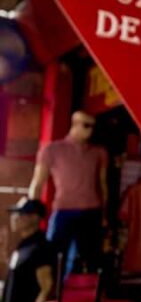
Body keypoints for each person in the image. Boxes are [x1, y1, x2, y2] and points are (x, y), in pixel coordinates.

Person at [28, 110, 108, 274]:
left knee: (90, 261)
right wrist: (31, 212)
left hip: (91, 211)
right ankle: (51, 296)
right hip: (64, 210)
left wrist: (104, 215)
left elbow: (103, 184)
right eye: (86, 125)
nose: (90, 130)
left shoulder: (99, 152)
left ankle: (84, 296)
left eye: (93, 126)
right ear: (74, 124)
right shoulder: (52, 149)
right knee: (53, 257)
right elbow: (37, 182)